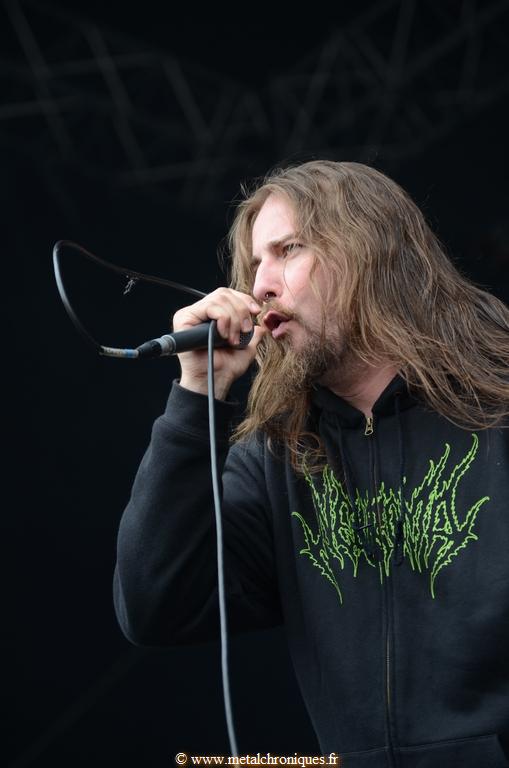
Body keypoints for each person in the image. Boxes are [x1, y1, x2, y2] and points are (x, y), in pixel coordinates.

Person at [113, 161, 509, 767]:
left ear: (368, 252)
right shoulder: (280, 456)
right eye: (255, 265)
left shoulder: (496, 407)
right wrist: (198, 394)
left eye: (288, 250)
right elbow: (154, 606)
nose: (261, 287)